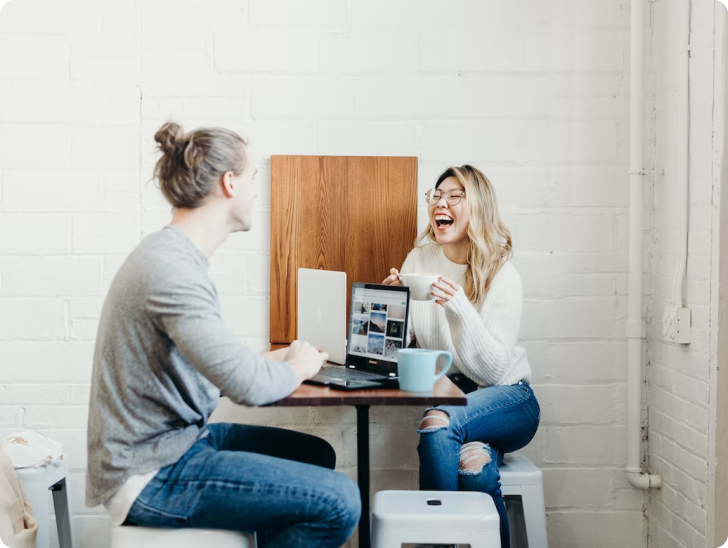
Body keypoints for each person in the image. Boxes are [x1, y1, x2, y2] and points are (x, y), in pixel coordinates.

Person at [85, 122, 361, 548]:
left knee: (317, 455)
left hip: (175, 446)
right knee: (341, 501)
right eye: (253, 178)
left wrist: (282, 358)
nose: (256, 191)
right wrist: (299, 366)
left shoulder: (176, 258)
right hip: (150, 473)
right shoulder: (171, 272)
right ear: (229, 183)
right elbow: (246, 385)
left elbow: (216, 369)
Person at [382, 165, 539, 548]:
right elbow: (408, 347)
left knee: (436, 422)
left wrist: (459, 306)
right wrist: (393, 309)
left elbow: (494, 368)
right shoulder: (418, 260)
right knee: (475, 467)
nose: (442, 202)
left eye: (455, 196)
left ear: (478, 207)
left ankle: (435, 543)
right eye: (437, 195)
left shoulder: (503, 274)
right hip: (456, 394)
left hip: (508, 398)